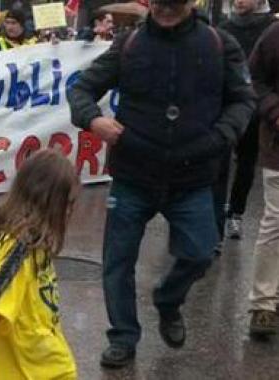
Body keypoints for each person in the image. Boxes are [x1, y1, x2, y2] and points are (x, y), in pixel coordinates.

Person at [68, 0, 255, 368]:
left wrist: (220, 137)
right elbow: (81, 90)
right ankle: (123, 337)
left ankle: (168, 301)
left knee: (200, 252)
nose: (167, 9)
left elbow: (243, 100)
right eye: (160, 2)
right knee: (117, 263)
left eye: (175, 2)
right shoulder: (129, 44)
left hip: (193, 176)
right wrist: (93, 121)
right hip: (133, 175)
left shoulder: (219, 44)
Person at [0, 150, 78, 380]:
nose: (68, 211)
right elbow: (7, 283)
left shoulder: (33, 239)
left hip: (43, 337)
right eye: (65, 204)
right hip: (34, 347)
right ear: (46, 201)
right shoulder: (19, 243)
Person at [219, 0, 276, 241]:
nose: (239, 1)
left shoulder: (271, 28)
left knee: (246, 162)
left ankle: (236, 213)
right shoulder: (223, 29)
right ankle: (213, 219)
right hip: (223, 108)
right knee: (218, 162)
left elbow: (262, 75)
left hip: (255, 110)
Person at [245, 18, 279, 338]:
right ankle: (264, 304)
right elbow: (254, 78)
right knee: (277, 221)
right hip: (278, 148)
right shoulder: (274, 35)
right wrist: (274, 111)